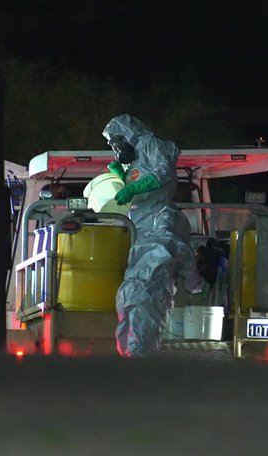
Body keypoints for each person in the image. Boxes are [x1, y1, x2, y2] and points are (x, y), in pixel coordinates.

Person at [102, 114, 205, 357]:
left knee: (144, 308)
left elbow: (161, 175)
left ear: (126, 135)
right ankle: (133, 359)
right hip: (141, 231)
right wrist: (122, 177)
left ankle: (137, 361)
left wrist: (134, 187)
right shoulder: (138, 156)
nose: (115, 148)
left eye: (116, 142)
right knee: (132, 305)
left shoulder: (153, 146)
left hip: (151, 237)